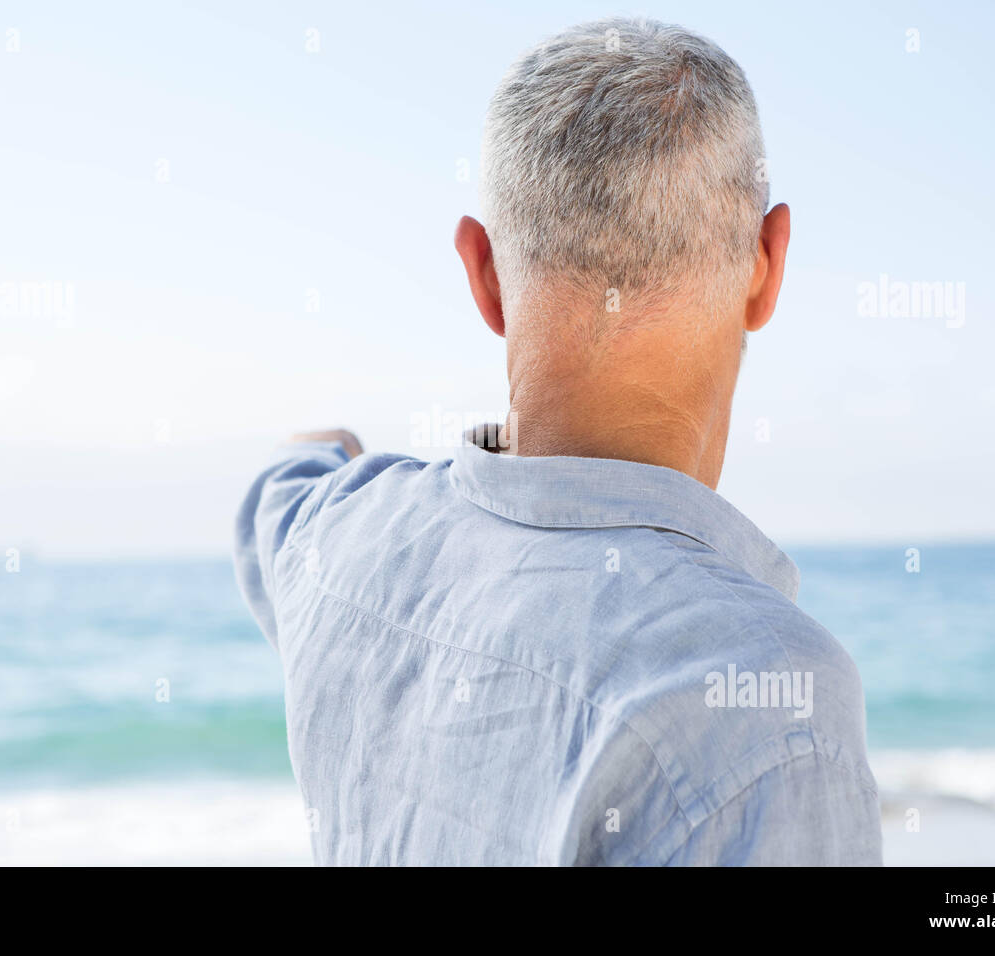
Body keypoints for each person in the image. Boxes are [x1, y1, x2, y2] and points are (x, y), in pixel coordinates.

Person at [235, 17, 882, 865]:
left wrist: (335, 451)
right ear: (768, 263)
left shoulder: (341, 537)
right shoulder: (769, 704)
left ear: (484, 275)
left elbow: (279, 490)